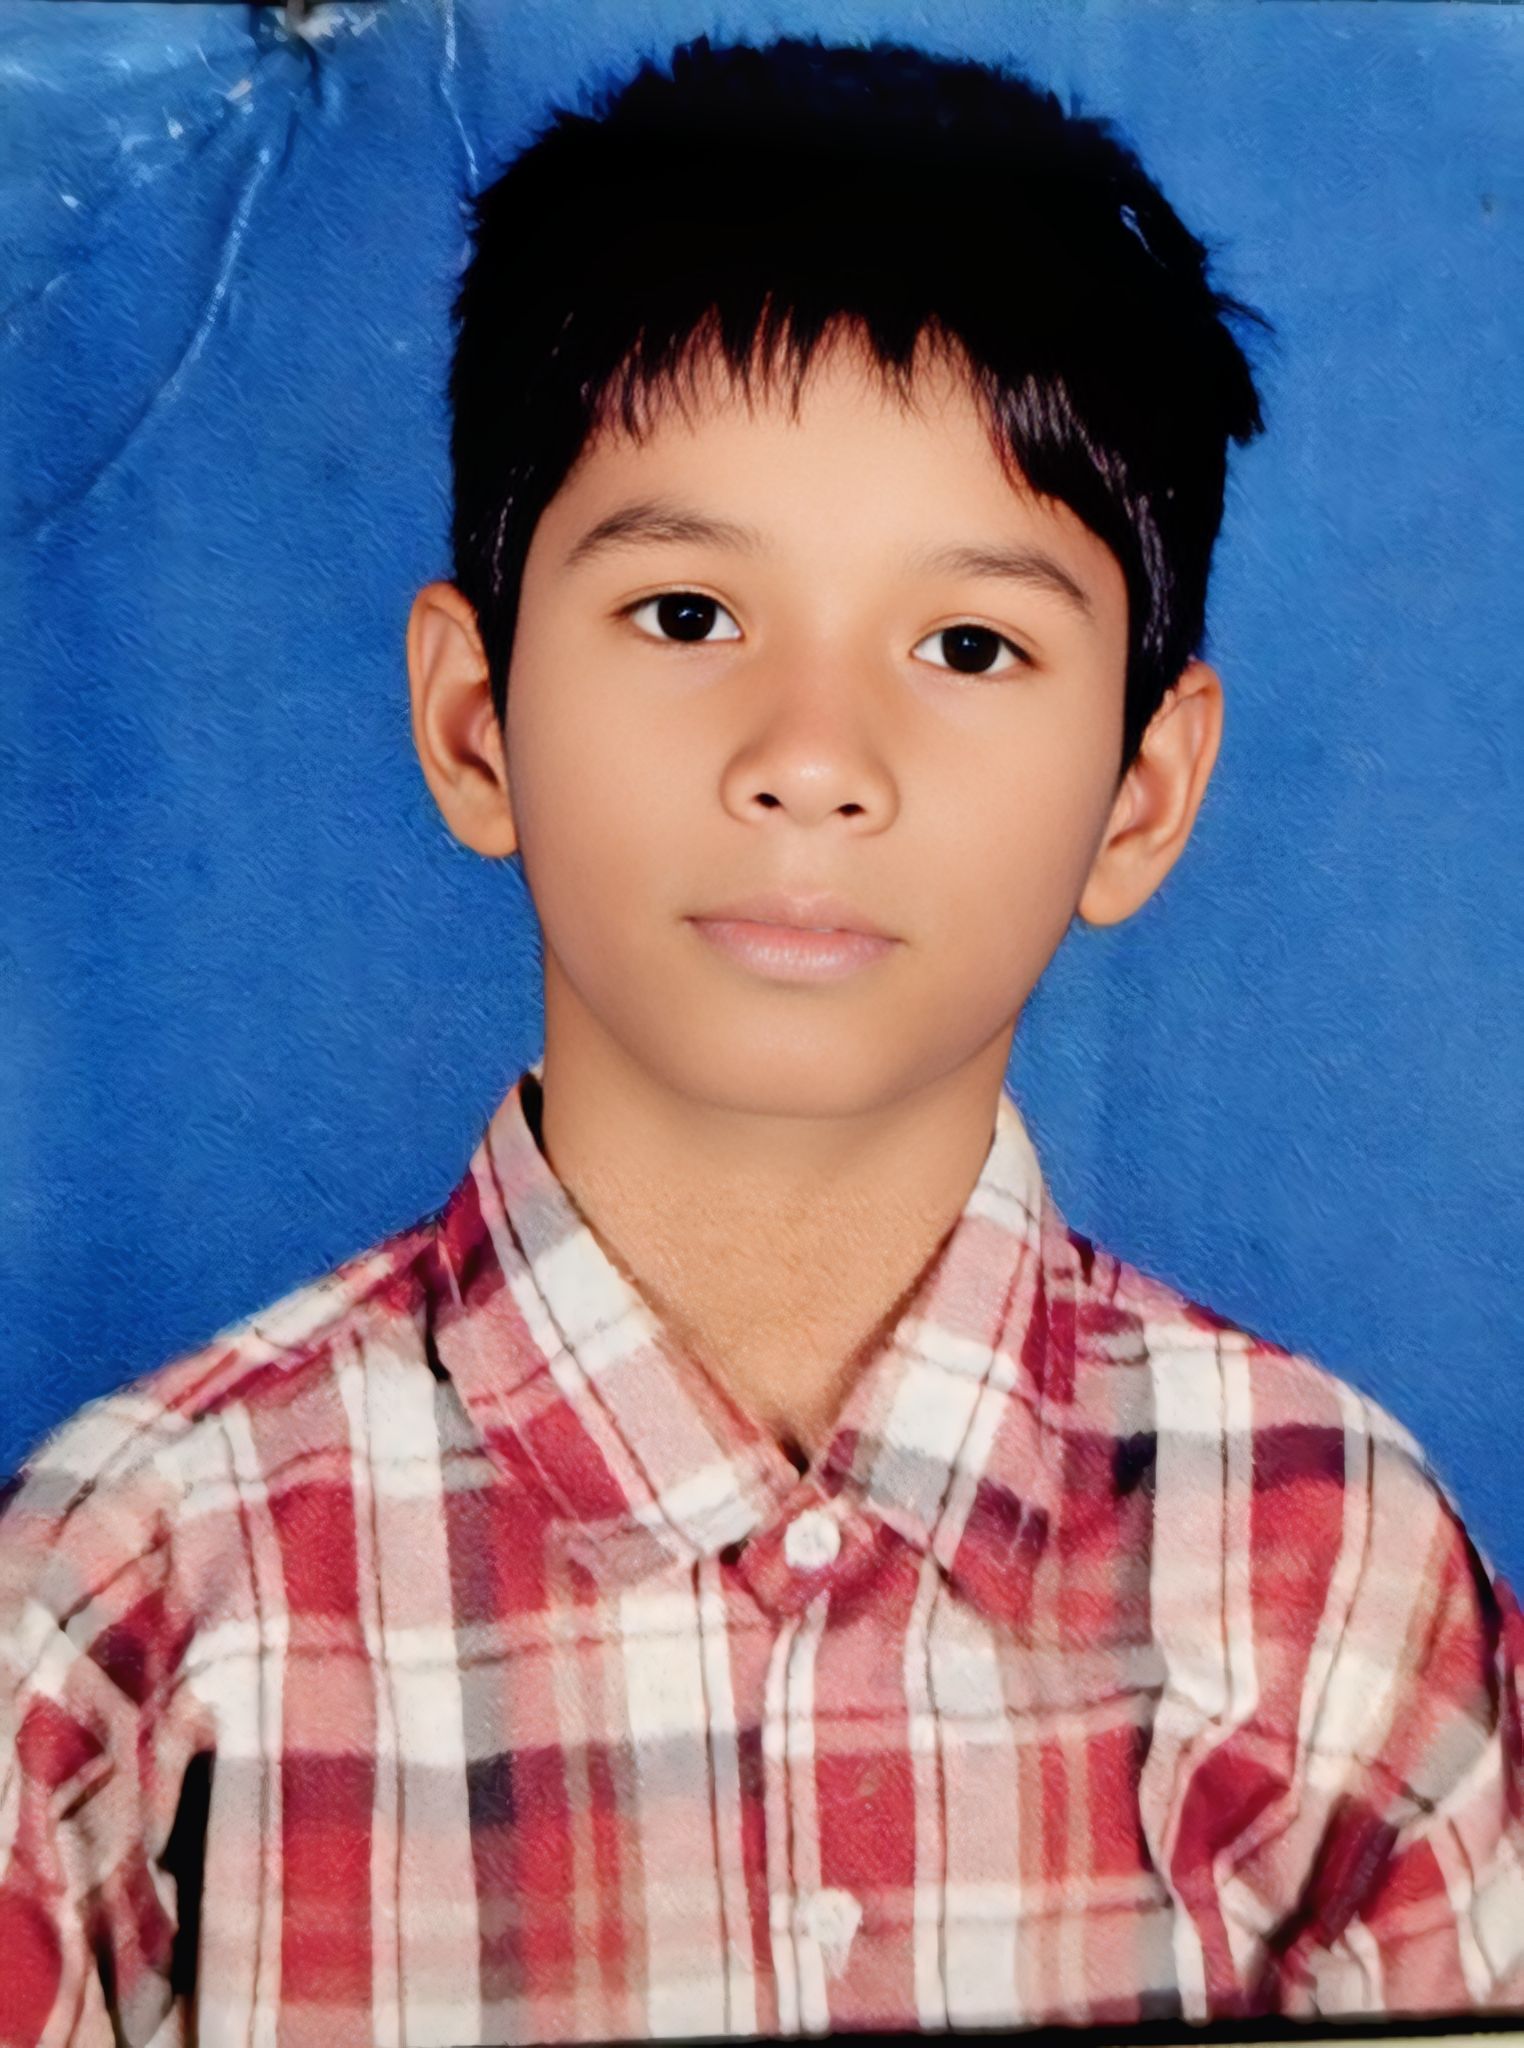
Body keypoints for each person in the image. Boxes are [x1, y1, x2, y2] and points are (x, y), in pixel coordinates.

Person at [2, 31, 1520, 2046]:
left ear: (1143, 794)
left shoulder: (1341, 1577)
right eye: (688, 615)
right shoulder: (118, 1613)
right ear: (475, 719)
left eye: (968, 645)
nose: (812, 758)